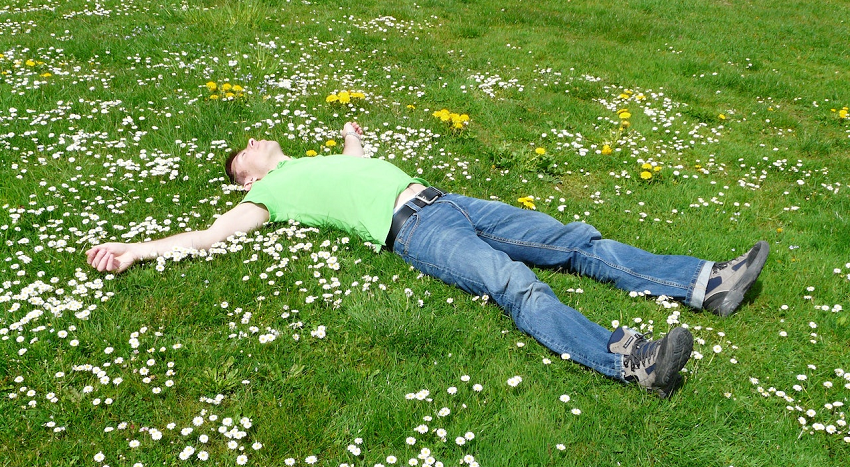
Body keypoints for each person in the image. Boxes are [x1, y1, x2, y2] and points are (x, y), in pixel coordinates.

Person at [86, 121, 769, 398]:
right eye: (249, 153)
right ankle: (631, 360)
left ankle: (705, 283)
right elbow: (208, 237)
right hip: (412, 231)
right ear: (249, 179)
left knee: (572, 238)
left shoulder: (312, 162)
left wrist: (353, 136)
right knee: (513, 283)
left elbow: (356, 164)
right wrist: (137, 249)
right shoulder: (270, 196)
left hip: (450, 201)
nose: (260, 140)